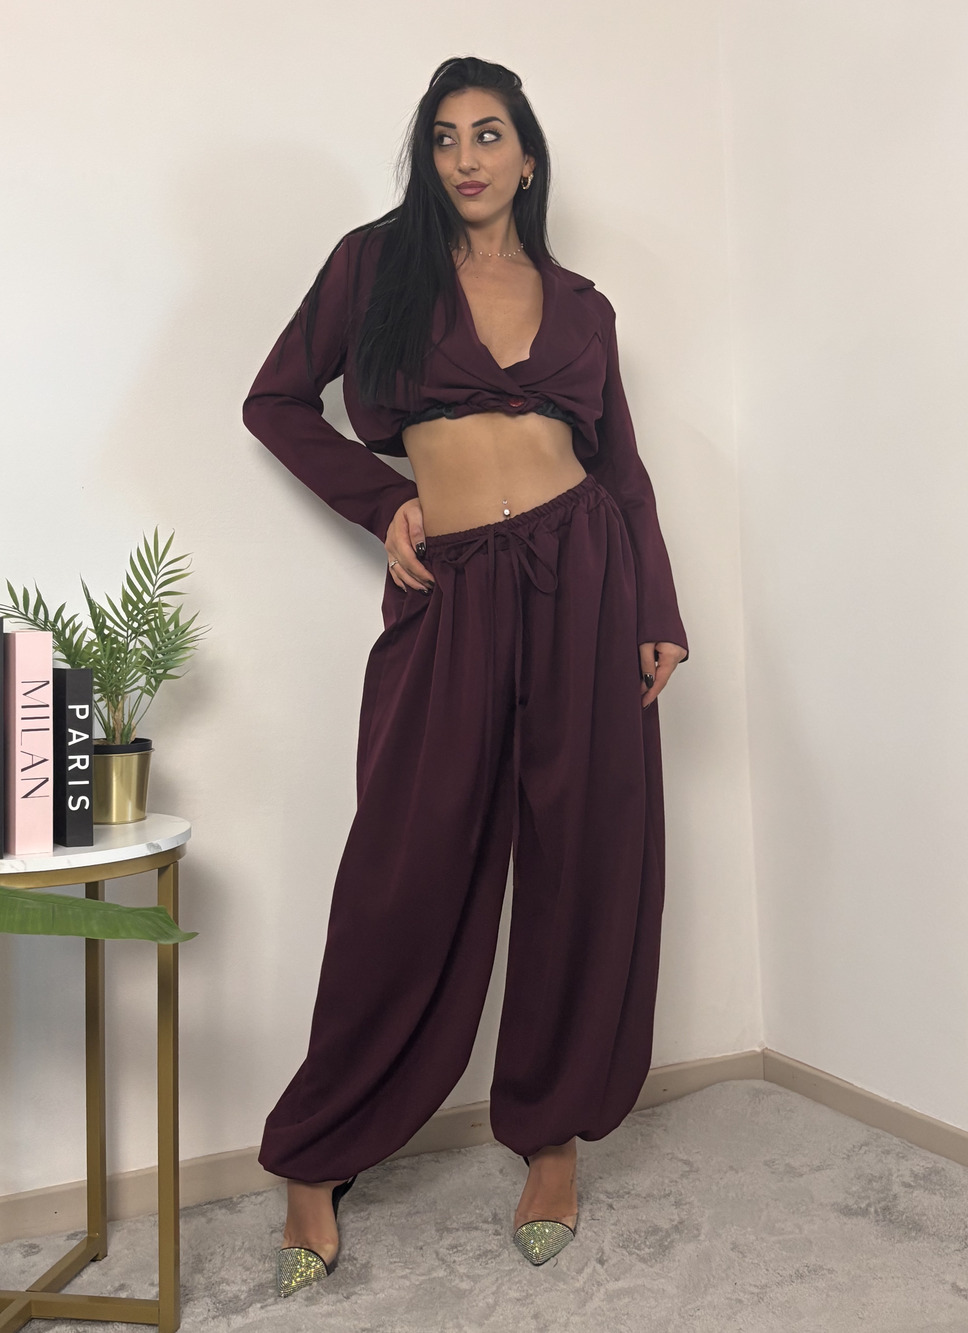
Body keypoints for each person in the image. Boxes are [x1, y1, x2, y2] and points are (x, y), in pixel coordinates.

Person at [243, 54, 688, 1296]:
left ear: (527, 157)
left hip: (586, 578)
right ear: (426, 158)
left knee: (580, 854)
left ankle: (550, 1138)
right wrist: (379, 500)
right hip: (451, 592)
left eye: (489, 135)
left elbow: (622, 469)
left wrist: (656, 607)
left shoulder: (583, 306)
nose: (467, 158)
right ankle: (319, 1148)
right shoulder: (372, 267)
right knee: (407, 862)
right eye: (443, 138)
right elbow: (275, 401)